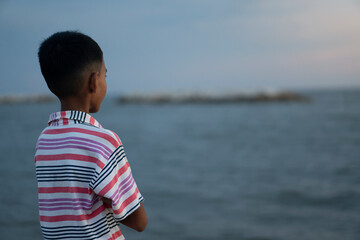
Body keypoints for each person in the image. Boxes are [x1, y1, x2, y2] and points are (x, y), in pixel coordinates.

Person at [35, 31, 148, 240]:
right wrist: (112, 202)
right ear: (94, 81)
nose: (104, 82)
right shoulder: (104, 142)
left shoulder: (44, 140)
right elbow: (139, 221)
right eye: (105, 75)